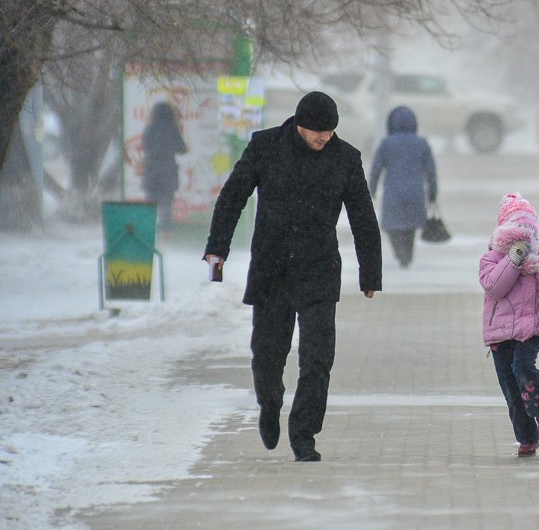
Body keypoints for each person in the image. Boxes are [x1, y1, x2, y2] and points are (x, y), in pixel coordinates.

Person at [203, 90, 382, 462]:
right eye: (319, 132)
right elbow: (233, 195)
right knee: (267, 355)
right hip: (272, 268)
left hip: (318, 270)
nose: (325, 138)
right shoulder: (266, 147)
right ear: (300, 125)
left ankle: (304, 435)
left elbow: (363, 217)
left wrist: (370, 273)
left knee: (318, 359)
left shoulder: (345, 159)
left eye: (331, 131)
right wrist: (218, 247)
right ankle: (270, 404)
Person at [479, 193, 539, 458]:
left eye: (527, 231)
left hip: (530, 329)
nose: (523, 238)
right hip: (500, 333)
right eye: (517, 230)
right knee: (510, 387)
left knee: (523, 368)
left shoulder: (538, 261)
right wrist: (513, 260)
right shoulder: (492, 258)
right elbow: (494, 286)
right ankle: (527, 438)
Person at [369, 105, 438, 267]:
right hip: (416, 192)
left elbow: (376, 170)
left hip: (393, 193)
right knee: (410, 228)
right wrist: (433, 191)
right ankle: (407, 255)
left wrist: (371, 190)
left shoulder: (386, 144)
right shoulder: (421, 143)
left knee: (393, 226)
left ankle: (400, 253)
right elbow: (431, 170)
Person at [141, 101, 187, 231]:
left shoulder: (149, 129)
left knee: (150, 207)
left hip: (151, 172)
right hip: (168, 173)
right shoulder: (172, 129)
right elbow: (182, 148)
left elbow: (145, 146)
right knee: (166, 206)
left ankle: (148, 232)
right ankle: (164, 235)